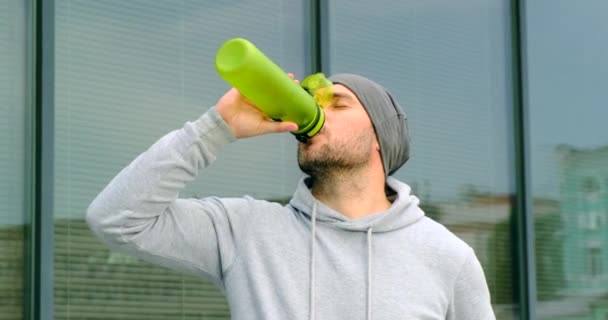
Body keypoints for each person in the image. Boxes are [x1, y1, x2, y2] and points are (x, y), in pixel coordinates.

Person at [87, 73, 496, 320]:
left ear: (378, 138)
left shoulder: (447, 256)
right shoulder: (246, 230)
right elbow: (115, 218)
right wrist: (219, 126)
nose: (311, 116)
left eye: (338, 105)